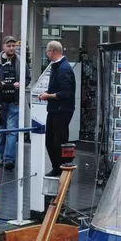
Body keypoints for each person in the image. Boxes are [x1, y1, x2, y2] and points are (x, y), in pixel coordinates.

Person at [37, 41, 75, 177]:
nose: (46, 54)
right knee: (51, 140)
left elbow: (66, 92)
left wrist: (48, 96)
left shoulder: (63, 68)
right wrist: (48, 93)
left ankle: (62, 168)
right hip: (55, 109)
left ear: (52, 51)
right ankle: (57, 167)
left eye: (47, 51)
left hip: (61, 110)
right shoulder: (57, 66)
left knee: (59, 141)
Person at [0, 36, 30, 171]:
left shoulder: (21, 61)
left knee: (11, 131)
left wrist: (21, 84)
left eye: (13, 46)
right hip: (0, 101)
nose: (11, 48)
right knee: (1, 132)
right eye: (9, 46)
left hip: (14, 101)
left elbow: (27, 78)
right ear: (3, 46)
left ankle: (9, 159)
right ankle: (2, 156)